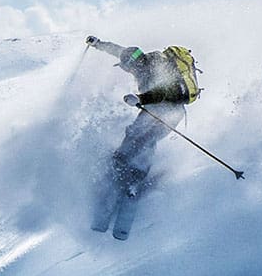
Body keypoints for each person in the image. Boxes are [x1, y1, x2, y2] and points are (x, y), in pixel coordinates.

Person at [83, 35, 198, 237]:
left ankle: (127, 179)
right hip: (163, 112)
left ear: (131, 63)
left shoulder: (153, 65)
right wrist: (98, 44)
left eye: (126, 67)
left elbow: (166, 91)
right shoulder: (141, 60)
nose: (128, 70)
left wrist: (141, 98)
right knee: (142, 140)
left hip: (164, 111)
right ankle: (128, 179)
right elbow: (118, 49)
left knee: (139, 139)